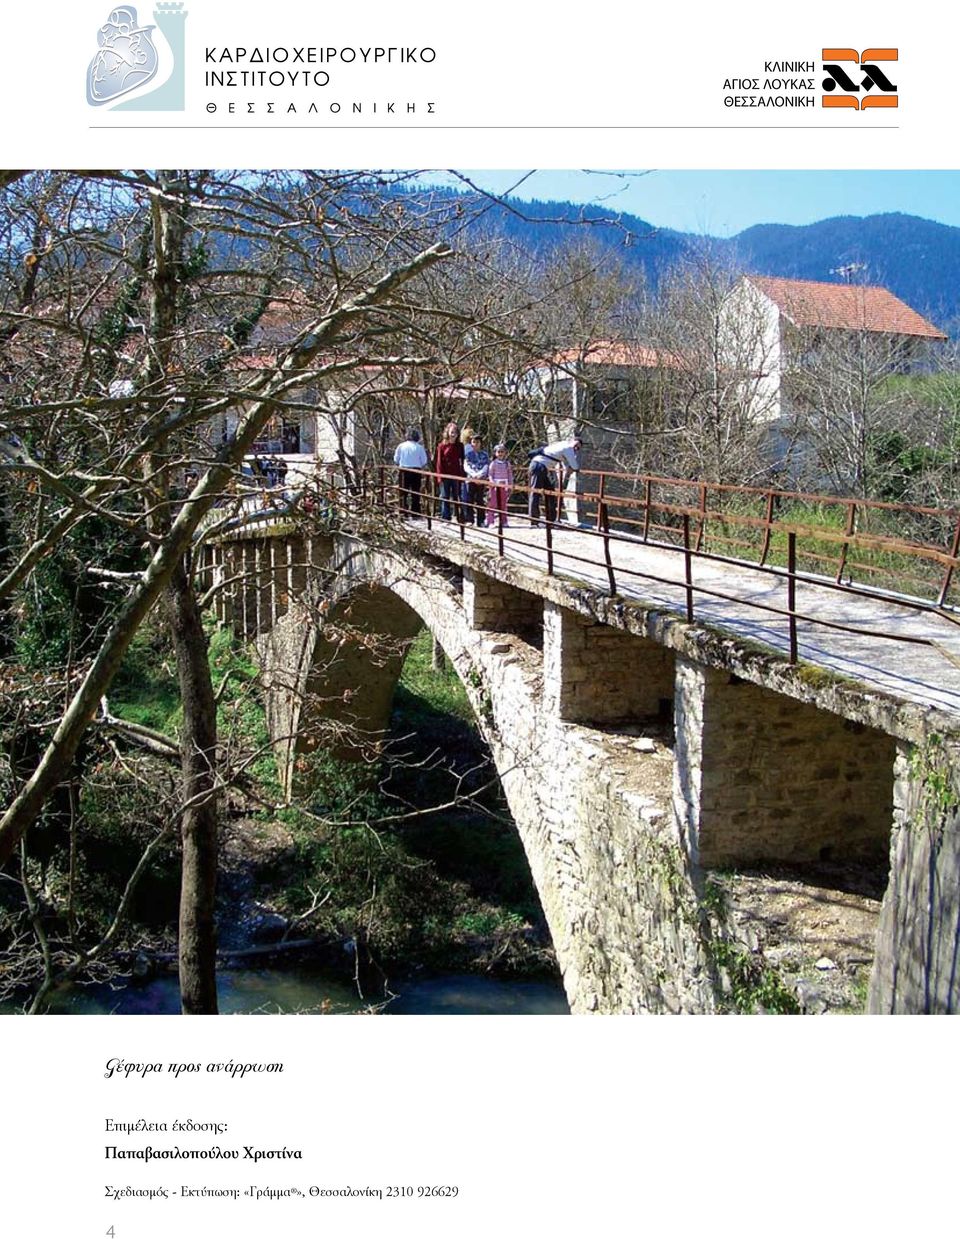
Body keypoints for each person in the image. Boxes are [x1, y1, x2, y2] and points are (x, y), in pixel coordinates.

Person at [527, 436, 582, 525]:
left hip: (541, 467)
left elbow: (567, 460)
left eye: (578, 448)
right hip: (539, 466)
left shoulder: (563, 444)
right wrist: (572, 467)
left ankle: (550, 519)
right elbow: (575, 465)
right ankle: (534, 520)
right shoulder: (568, 448)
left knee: (550, 492)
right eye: (576, 445)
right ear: (572, 441)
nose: (576, 448)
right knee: (535, 492)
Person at [393, 427, 429, 515]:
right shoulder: (420, 447)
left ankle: (403, 511)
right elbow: (424, 461)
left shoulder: (401, 446)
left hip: (404, 470)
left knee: (403, 492)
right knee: (415, 493)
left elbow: (396, 459)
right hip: (416, 471)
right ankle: (415, 512)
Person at [434, 421, 465, 521]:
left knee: (457, 496)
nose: (453, 434)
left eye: (455, 432)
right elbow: (439, 462)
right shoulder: (441, 446)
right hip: (445, 474)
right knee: (445, 496)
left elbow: (462, 460)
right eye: (452, 432)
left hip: (456, 474)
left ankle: (458, 516)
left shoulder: (460, 446)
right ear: (447, 432)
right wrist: (439, 477)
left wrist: (462, 475)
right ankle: (446, 517)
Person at [463, 432, 490, 526]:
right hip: (471, 479)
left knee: (480, 500)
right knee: (469, 499)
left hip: (481, 479)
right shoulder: (468, 454)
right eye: (474, 442)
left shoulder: (485, 454)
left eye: (478, 442)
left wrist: (480, 475)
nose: (476, 444)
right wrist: (474, 475)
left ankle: (481, 520)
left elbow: (486, 466)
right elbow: (466, 466)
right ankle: (469, 519)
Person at [485, 443, 514, 527]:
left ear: (505, 453)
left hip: (504, 485)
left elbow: (510, 475)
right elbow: (490, 474)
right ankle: (490, 521)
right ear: (495, 453)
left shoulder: (507, 464)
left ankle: (504, 521)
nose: (500, 453)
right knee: (492, 503)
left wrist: (510, 484)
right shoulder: (493, 463)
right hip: (495, 486)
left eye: (502, 452)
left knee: (503, 504)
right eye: (499, 452)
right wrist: (492, 482)